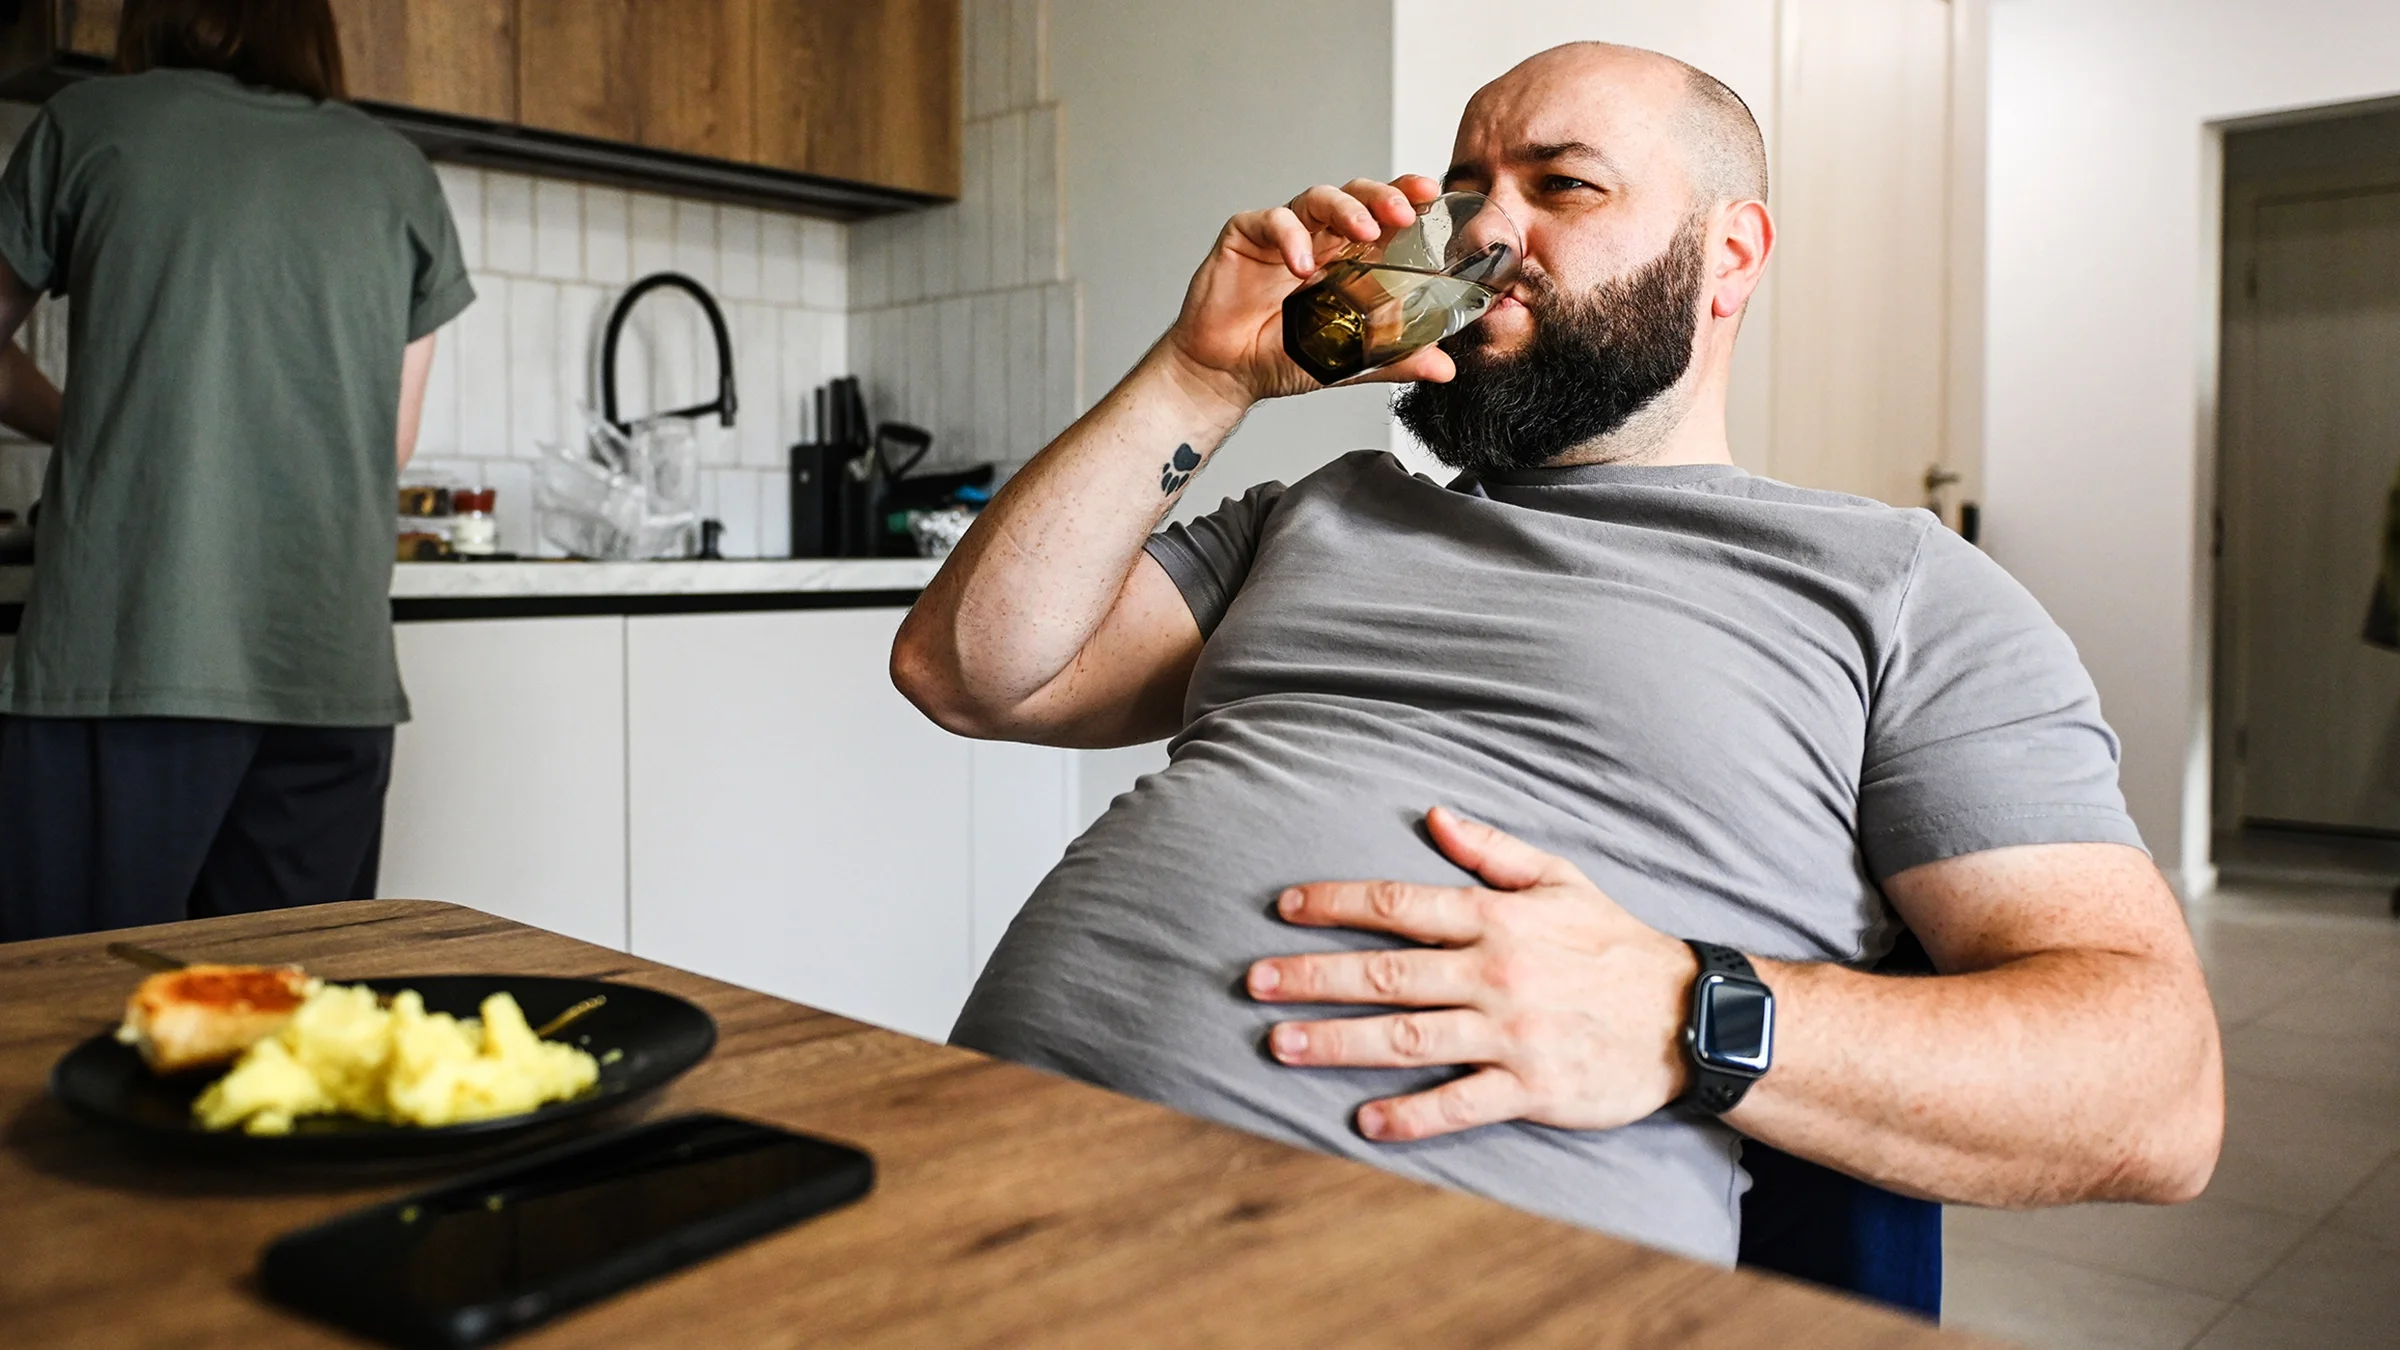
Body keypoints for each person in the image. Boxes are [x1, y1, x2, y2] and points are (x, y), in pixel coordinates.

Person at [894, 41, 2224, 1264]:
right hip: (964, 1198)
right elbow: (967, 670)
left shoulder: (1896, 590)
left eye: (1564, 185)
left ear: (1730, 254)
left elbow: (2157, 1097)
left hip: (1396, 1282)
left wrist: (1691, 1014)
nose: (1483, 232)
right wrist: (1203, 374)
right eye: (1466, 193)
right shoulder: (1322, 513)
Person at [0, 0, 474, 942]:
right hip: (329, 671)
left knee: (74, 999)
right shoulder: (397, 171)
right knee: (288, 1005)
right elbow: (388, 441)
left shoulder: (91, 123)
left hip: (129, 656)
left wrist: (92, 426)